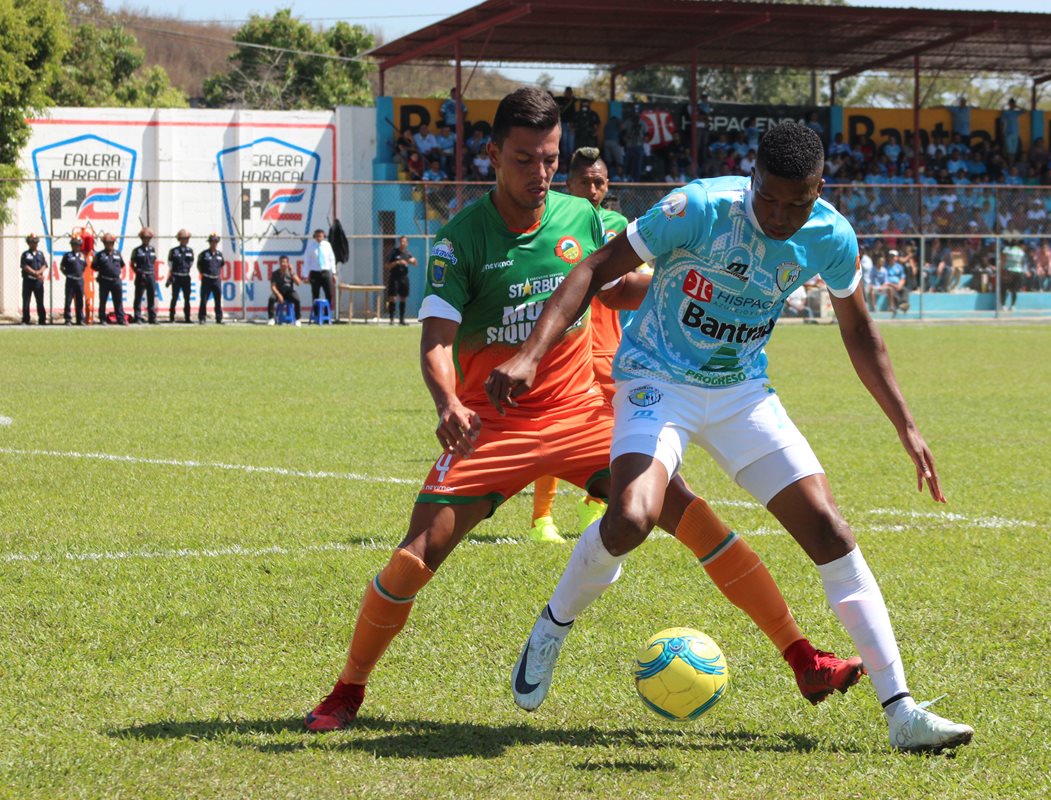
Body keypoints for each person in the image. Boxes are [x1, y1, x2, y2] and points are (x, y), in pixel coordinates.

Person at [304, 88, 862, 734]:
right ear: (492, 156)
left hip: (586, 419)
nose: (539, 175)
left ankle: (802, 656)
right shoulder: (461, 240)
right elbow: (434, 341)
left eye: (549, 160)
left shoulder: (585, 218)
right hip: (495, 427)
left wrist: (693, 281)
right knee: (412, 559)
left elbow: (629, 281)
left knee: (695, 519)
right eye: (523, 160)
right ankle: (348, 690)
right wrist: (448, 400)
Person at [488, 121, 974, 753]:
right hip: (657, 378)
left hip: (742, 391)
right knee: (631, 518)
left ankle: (902, 710)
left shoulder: (831, 235)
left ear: (817, 190)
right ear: (751, 180)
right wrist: (531, 353)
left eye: (795, 203)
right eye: (767, 198)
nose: (778, 216)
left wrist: (906, 426)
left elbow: (860, 332)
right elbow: (595, 271)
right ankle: (554, 623)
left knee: (829, 529)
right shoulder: (697, 208)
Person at [529, 146, 627, 544]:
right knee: (554, 435)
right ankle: (542, 519)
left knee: (615, 433)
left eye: (598, 182)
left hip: (607, 347)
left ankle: (595, 503)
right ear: (566, 184)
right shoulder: (550, 223)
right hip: (565, 349)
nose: (592, 189)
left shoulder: (617, 223)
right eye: (584, 182)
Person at [93, 232, 127, 325]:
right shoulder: (100, 255)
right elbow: (94, 266)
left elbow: (122, 265)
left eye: (111, 243)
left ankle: (120, 319)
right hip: (104, 280)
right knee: (103, 301)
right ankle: (102, 319)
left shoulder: (117, 253)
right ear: (104, 243)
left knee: (118, 301)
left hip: (116, 280)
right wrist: (102, 271)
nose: (110, 244)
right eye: (107, 243)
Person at [384, 236, 416, 325]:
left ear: (407, 243)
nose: (403, 243)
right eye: (401, 241)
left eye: (404, 242)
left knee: (403, 298)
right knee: (393, 298)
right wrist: (397, 262)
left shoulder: (407, 253)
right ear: (399, 242)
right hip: (394, 277)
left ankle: (402, 320)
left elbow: (415, 262)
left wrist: (412, 261)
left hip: (404, 278)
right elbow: (386, 265)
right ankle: (391, 319)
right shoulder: (394, 252)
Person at [130, 227, 158, 324]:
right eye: (145, 238)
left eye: (148, 238)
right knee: (138, 297)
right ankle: (137, 317)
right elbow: (131, 264)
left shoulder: (152, 249)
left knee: (151, 297)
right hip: (141, 275)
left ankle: (152, 318)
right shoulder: (137, 250)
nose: (147, 239)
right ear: (142, 238)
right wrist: (138, 272)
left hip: (151, 275)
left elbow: (153, 261)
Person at [305, 229, 337, 314]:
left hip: (326, 272)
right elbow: (307, 260)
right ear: (314, 236)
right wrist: (306, 275)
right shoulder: (311, 246)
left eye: (321, 235)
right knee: (315, 295)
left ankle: (327, 315)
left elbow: (332, 259)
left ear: (323, 236)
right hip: (315, 273)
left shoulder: (327, 245)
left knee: (329, 294)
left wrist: (334, 273)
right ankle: (317, 315)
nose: (319, 237)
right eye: (317, 235)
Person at [19, 233, 48, 325]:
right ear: (28, 243)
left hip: (38, 282)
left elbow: (45, 265)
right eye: (31, 242)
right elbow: (24, 266)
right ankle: (25, 319)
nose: (34, 244)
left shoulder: (40, 254)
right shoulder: (25, 254)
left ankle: (42, 320)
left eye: (35, 242)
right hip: (28, 280)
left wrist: (39, 272)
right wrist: (35, 273)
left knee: (40, 301)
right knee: (26, 301)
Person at [166, 230, 194, 323]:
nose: (185, 240)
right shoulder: (174, 251)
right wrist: (171, 276)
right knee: (174, 297)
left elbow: (191, 263)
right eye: (183, 239)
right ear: (180, 239)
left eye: (187, 239)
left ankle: (187, 317)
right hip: (176, 277)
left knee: (187, 298)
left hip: (186, 277)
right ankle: (171, 316)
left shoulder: (190, 251)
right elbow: (170, 264)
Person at [197, 233, 224, 325]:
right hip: (207, 279)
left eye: (216, 242)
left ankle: (219, 318)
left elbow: (221, 264)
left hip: (216, 279)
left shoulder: (219, 254)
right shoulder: (204, 254)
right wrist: (203, 273)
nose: (214, 243)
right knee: (204, 299)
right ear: (209, 242)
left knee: (218, 299)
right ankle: (202, 318)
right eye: (212, 241)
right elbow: (199, 265)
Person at [267, 255, 301, 326]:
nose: (283, 264)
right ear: (279, 263)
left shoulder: (291, 272)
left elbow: (298, 283)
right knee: (271, 299)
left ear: (287, 263)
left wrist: (292, 272)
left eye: (284, 262)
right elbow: (273, 286)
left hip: (289, 292)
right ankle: (271, 319)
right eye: (281, 262)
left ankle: (297, 319)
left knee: (297, 299)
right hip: (279, 291)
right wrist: (279, 295)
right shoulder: (275, 273)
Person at [60, 236, 87, 325]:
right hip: (70, 280)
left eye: (78, 245)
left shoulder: (83, 256)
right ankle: (68, 319)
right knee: (68, 300)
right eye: (74, 245)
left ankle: (80, 319)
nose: (76, 247)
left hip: (79, 280)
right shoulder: (67, 255)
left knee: (80, 300)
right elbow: (62, 267)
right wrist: (67, 274)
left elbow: (84, 267)